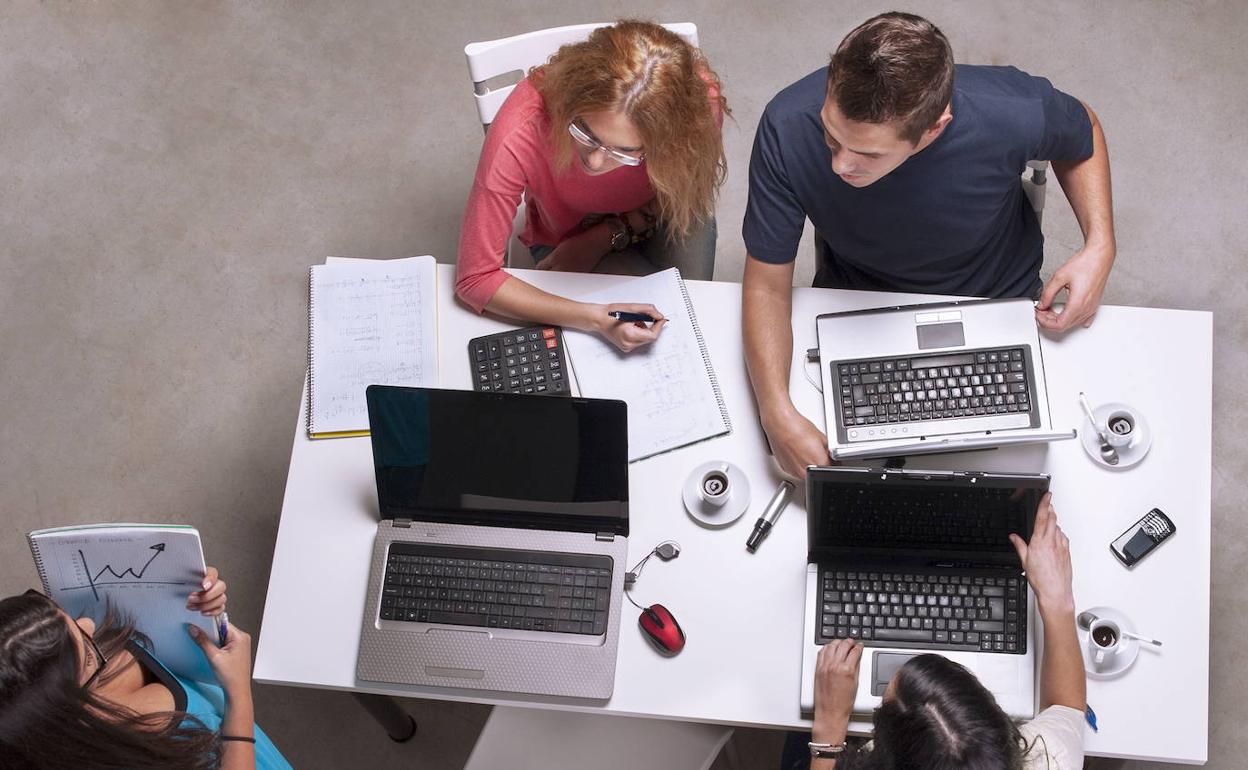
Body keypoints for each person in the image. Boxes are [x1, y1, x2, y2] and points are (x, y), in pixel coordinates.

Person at [742, 12, 1116, 478]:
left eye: (868, 154)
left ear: (935, 129)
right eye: (831, 136)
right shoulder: (786, 122)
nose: (839, 165)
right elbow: (766, 288)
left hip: (997, 295)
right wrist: (775, 411)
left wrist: (1099, 246)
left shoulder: (1012, 109)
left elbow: (1085, 132)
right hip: (859, 297)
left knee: (1026, 471)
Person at [456, 20, 729, 352]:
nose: (596, 162)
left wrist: (607, 235)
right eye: (584, 131)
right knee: (636, 336)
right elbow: (475, 279)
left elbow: (685, 192)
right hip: (565, 235)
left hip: (659, 212)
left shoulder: (699, 108)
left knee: (686, 322)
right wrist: (596, 318)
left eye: (626, 151)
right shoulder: (523, 126)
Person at [784, 492, 1086, 769]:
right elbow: (1066, 708)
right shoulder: (1050, 759)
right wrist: (1058, 601)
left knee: (794, 735)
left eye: (883, 709)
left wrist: (829, 726)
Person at [0, 567, 290, 770]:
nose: (88, 624)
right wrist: (239, 694)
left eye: (67, 619)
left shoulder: (55, 656)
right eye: (88, 656)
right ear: (63, 710)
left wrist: (197, 600)